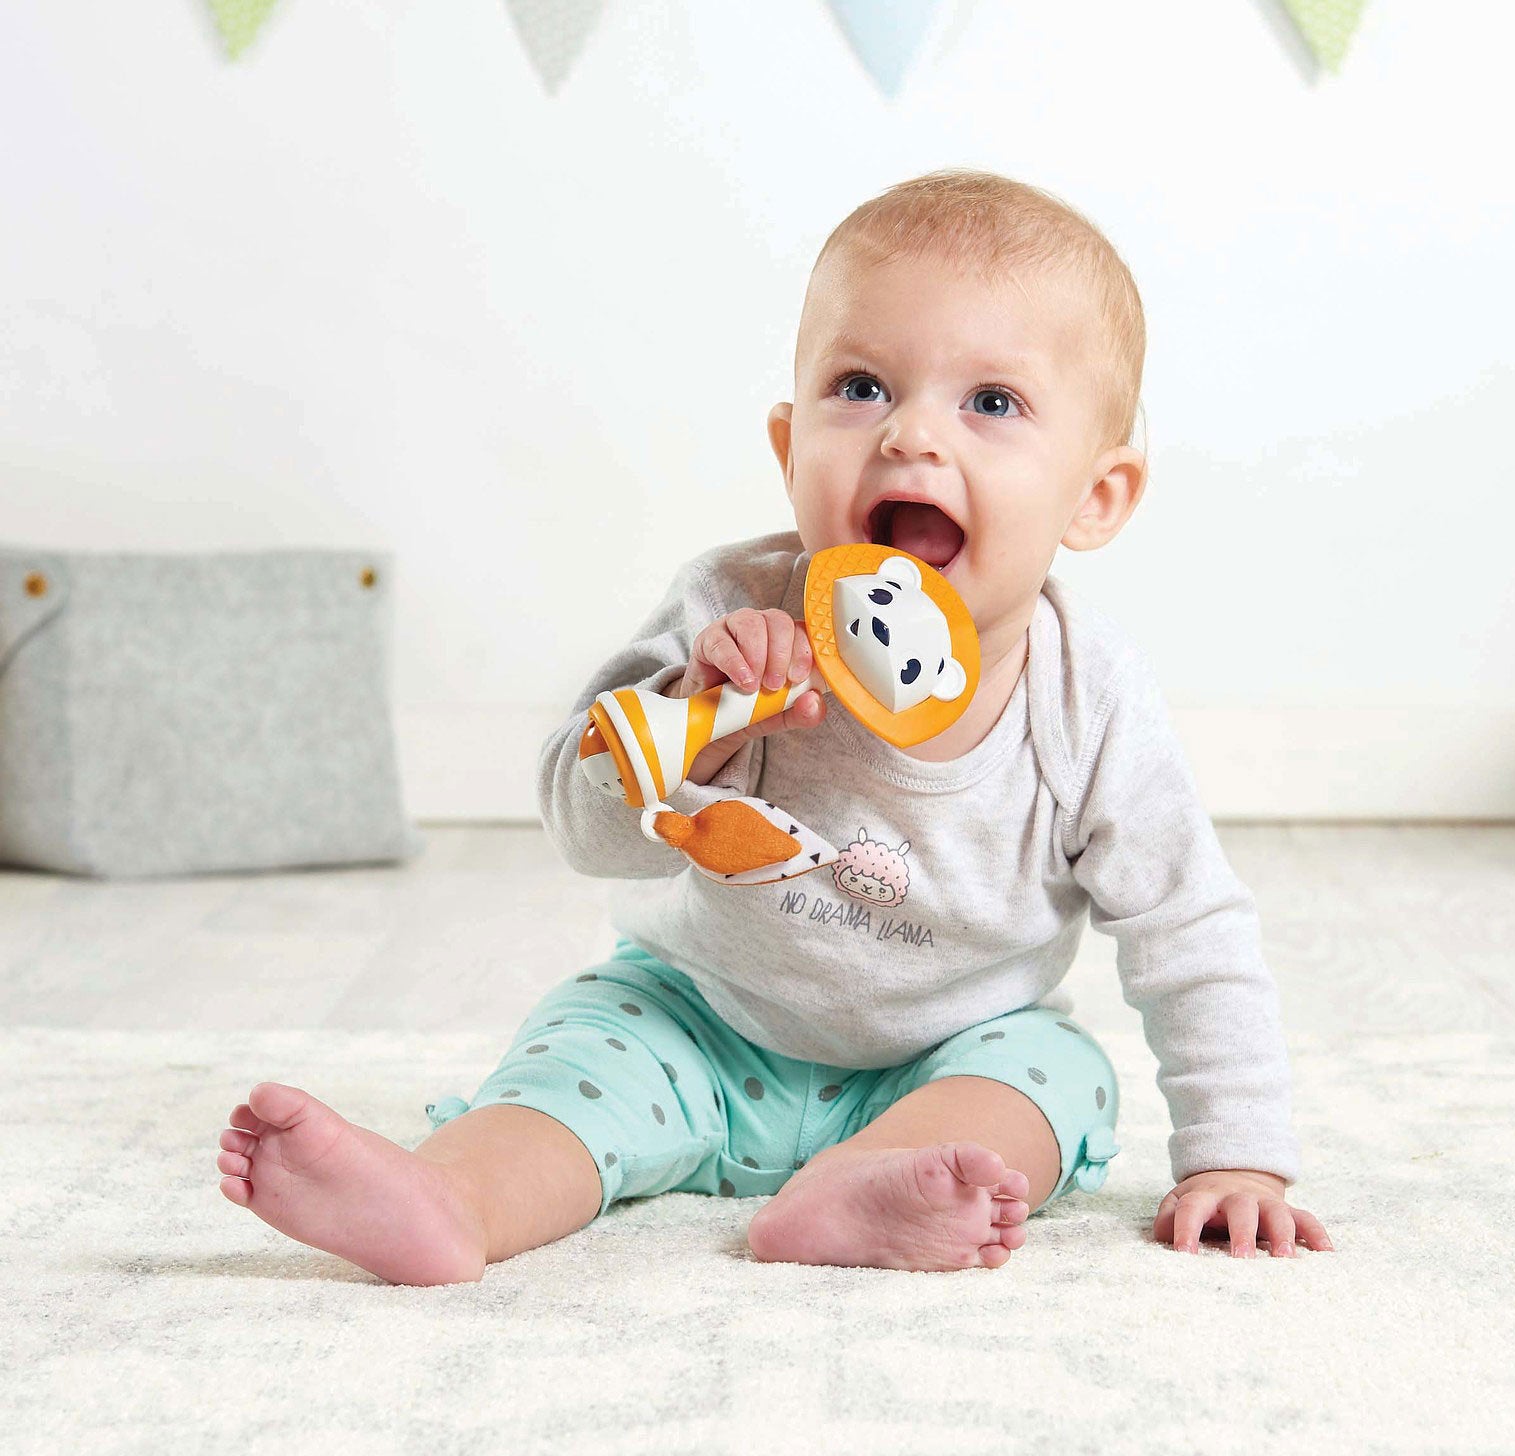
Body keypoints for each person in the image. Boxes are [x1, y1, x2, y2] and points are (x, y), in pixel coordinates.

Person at [215, 169, 1334, 1283]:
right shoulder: (729, 606)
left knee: (1055, 1078)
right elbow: (584, 829)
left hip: (950, 1054)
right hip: (697, 1018)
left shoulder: (1089, 697)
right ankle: (451, 1199)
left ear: (1096, 496)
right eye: (862, 386)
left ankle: (864, 1189)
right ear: (789, 446)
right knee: (577, 1064)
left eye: (991, 403)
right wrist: (693, 722)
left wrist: (1236, 1156)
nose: (910, 434)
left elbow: (1189, 926)